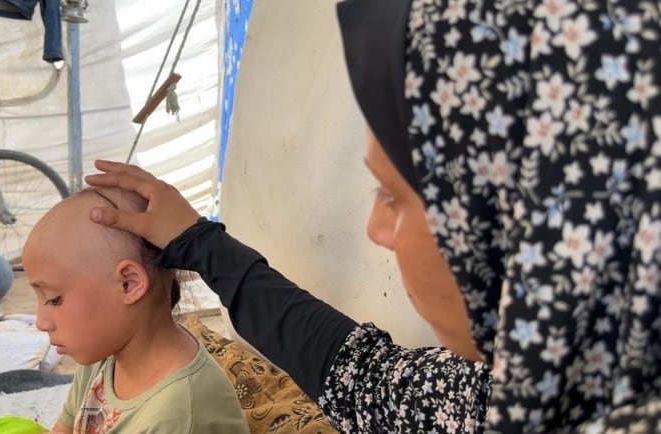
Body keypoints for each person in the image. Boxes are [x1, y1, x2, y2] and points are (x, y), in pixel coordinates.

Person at [84, 0, 661, 432]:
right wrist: (199, 241)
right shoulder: (501, 395)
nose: (375, 230)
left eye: (394, 196)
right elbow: (358, 374)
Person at [21, 187, 250, 433]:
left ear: (129, 283)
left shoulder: (179, 415)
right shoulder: (102, 353)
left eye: (54, 300)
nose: (41, 322)